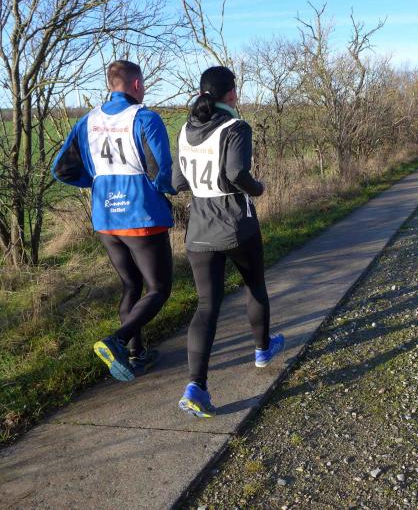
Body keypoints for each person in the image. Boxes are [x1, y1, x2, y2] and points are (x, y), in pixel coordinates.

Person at [52, 60, 175, 382]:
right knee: (159, 288)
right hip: (141, 216)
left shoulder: (87, 121)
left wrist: (97, 182)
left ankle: (136, 355)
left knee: (131, 285)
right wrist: (170, 190)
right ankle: (117, 341)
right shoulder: (145, 118)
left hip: (106, 217)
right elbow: (161, 171)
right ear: (136, 85)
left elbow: (61, 169)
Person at [173, 66, 285, 418]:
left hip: (199, 229)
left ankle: (196, 387)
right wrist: (258, 188)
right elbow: (237, 173)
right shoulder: (236, 127)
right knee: (254, 286)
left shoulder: (185, 130)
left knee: (206, 306)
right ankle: (263, 350)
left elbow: (177, 182)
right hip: (236, 224)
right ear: (232, 93)